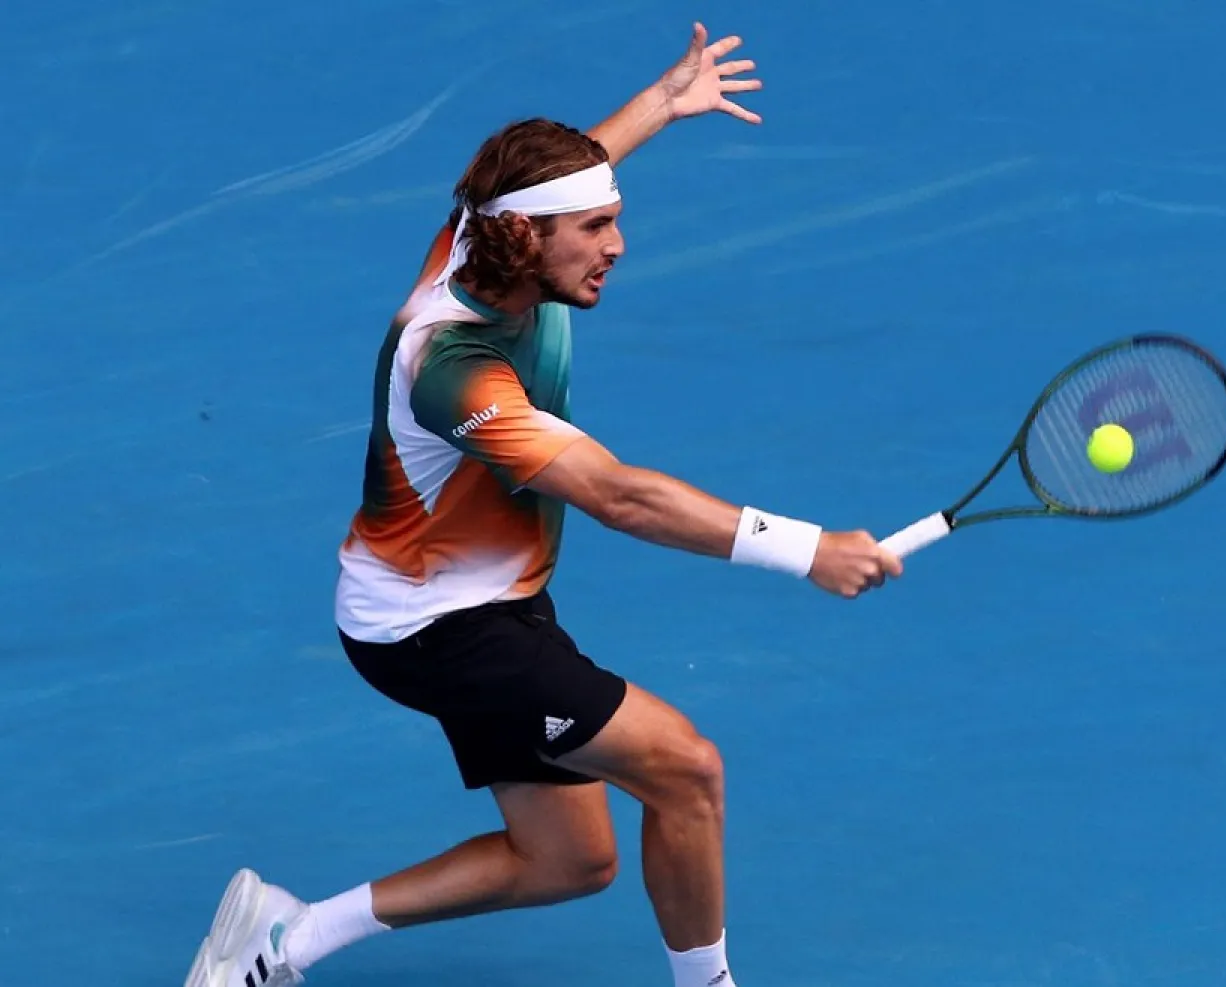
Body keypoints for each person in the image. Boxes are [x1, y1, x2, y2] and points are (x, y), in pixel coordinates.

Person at [181, 21, 901, 987]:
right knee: (686, 769)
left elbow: (571, 168)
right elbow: (619, 497)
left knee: (570, 860)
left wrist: (662, 102)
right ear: (525, 236)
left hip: (491, 604)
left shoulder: (485, 234)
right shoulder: (452, 364)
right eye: (595, 229)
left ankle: (284, 937)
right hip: (433, 628)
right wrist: (806, 548)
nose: (618, 246)